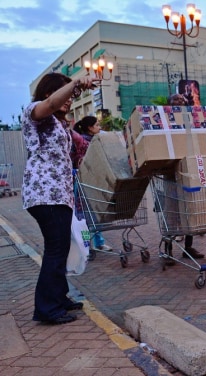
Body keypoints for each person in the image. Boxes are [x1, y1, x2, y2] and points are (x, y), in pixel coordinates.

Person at [22, 72, 99, 325]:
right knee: (55, 250)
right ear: (49, 92)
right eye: (65, 93)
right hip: (45, 194)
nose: (69, 100)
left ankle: (59, 297)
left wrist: (80, 88)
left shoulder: (58, 123)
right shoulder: (36, 112)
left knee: (61, 248)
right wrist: (76, 82)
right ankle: (46, 308)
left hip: (59, 194)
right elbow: (53, 104)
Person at [166, 93, 205, 260]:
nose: (180, 102)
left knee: (189, 211)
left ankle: (188, 248)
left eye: (182, 100)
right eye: (176, 100)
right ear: (169, 104)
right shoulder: (165, 122)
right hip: (169, 175)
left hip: (187, 171)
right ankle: (168, 250)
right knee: (171, 214)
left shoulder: (190, 121)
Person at [73, 115, 113, 253]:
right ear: (90, 128)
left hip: (96, 182)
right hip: (83, 183)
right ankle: (86, 244)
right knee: (83, 217)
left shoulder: (99, 140)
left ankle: (99, 242)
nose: (100, 127)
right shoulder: (81, 142)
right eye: (97, 125)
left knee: (95, 214)